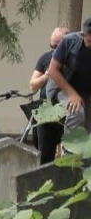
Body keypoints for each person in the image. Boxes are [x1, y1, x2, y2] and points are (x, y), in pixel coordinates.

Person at [31, 26, 68, 163]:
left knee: (69, 153)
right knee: (44, 154)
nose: (55, 50)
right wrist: (47, 75)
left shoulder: (75, 59)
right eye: (52, 46)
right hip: (46, 111)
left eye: (58, 47)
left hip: (66, 110)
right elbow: (33, 84)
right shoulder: (45, 58)